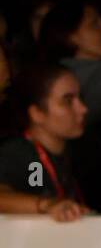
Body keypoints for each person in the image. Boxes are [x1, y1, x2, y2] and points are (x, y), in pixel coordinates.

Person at [0, 60, 89, 220]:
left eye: (80, 98)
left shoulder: (80, 150)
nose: (83, 109)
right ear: (37, 113)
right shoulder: (21, 154)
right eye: (68, 101)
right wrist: (47, 205)